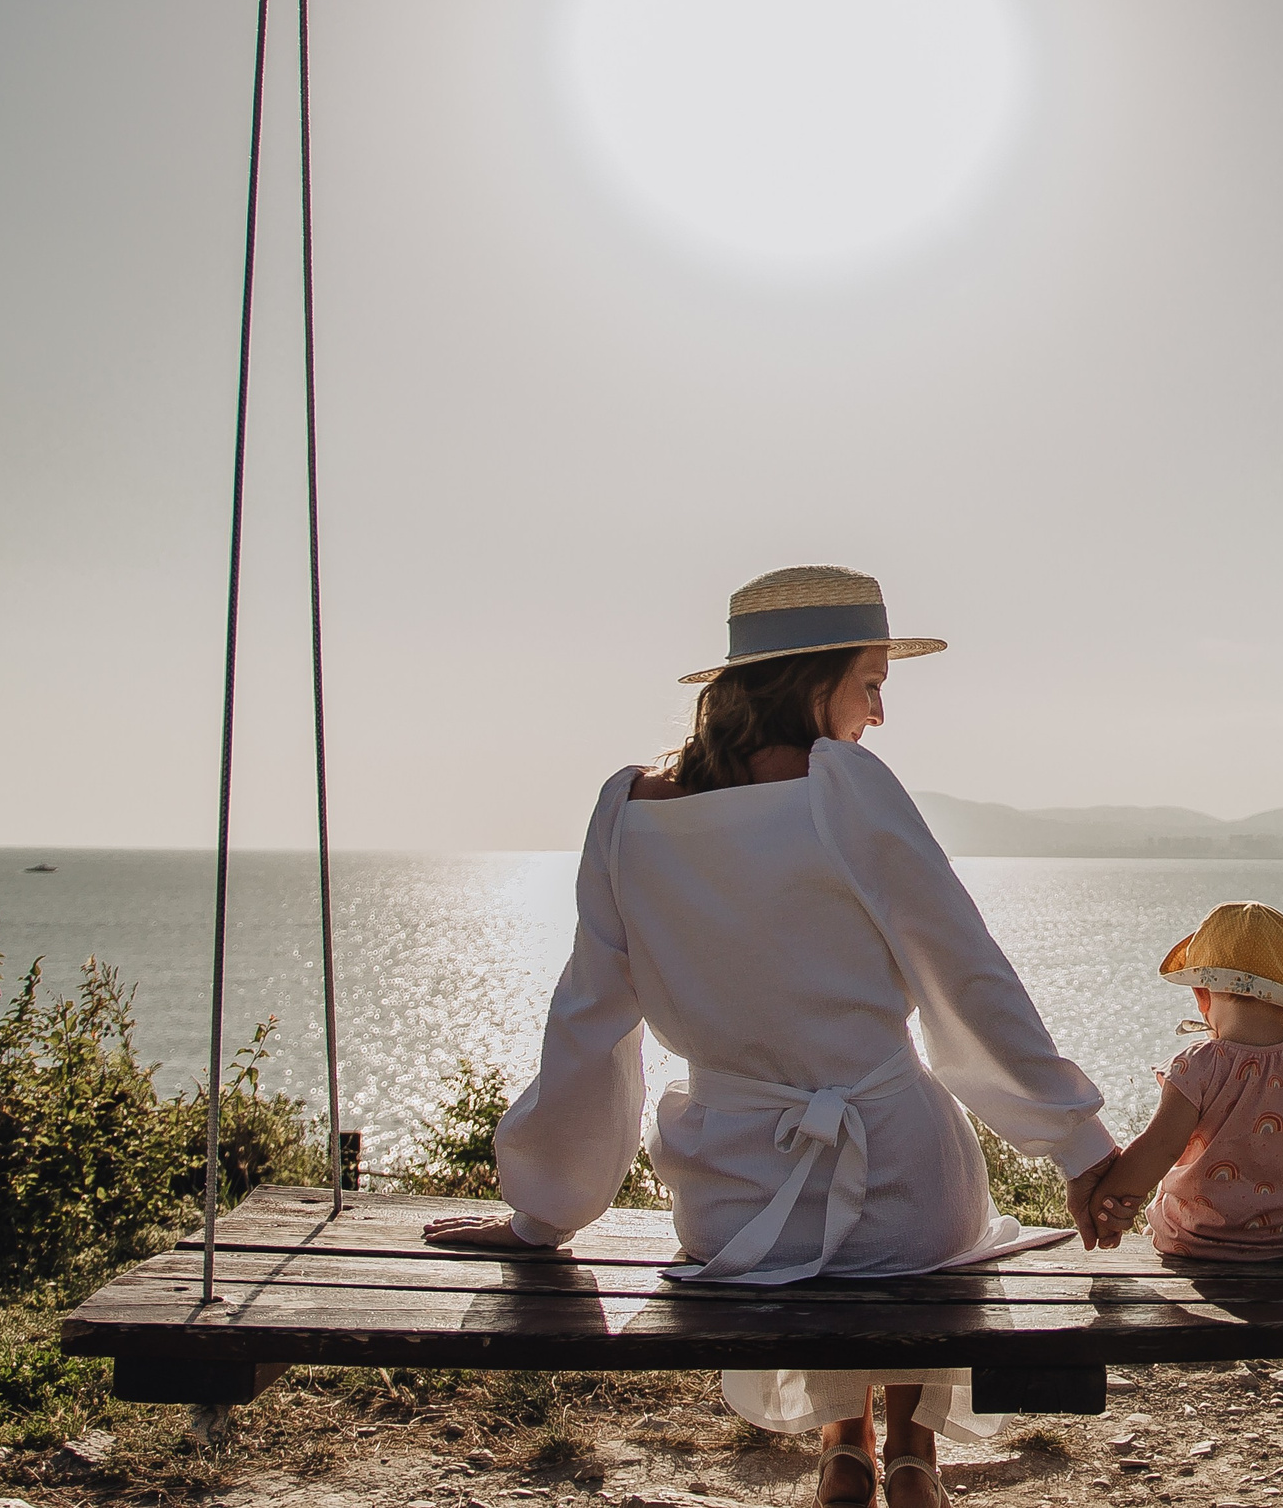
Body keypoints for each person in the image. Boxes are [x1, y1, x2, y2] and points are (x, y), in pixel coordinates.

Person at [420, 565, 1121, 1508]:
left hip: (734, 1206)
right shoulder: (845, 785)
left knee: (827, 1223)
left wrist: (542, 1210)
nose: (879, 714)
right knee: (911, 1204)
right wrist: (1075, 1140)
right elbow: (966, 973)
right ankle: (909, 1448)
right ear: (812, 680)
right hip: (902, 1195)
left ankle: (845, 1450)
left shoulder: (625, 809)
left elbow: (590, 1016)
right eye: (871, 685)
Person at [1086, 902, 1283, 1255]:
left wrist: (1107, 1200)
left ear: (1201, 995)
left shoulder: (1198, 1066)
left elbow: (1159, 1147)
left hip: (1196, 1244)